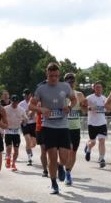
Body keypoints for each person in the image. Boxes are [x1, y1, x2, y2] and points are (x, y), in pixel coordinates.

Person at [31, 63, 77, 194]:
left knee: (65, 157)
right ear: (47, 74)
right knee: (52, 157)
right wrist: (41, 109)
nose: (54, 78)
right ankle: (53, 183)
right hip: (48, 127)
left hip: (63, 126)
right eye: (51, 76)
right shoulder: (41, 89)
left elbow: (74, 100)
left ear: (59, 75)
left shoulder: (65, 86)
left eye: (56, 76)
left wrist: (69, 107)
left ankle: (60, 166)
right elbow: (31, 106)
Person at [62, 73, 87, 186]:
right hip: (64, 127)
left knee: (73, 152)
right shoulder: (61, 94)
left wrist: (84, 106)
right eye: (68, 81)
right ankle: (64, 169)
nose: (71, 83)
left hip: (76, 127)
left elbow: (84, 112)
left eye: (72, 81)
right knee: (68, 150)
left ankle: (68, 172)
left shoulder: (80, 95)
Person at [83, 82, 109, 168]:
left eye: (100, 87)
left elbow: (108, 109)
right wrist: (90, 108)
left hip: (102, 123)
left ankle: (101, 159)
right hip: (92, 123)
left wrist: (108, 109)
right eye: (97, 87)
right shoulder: (89, 98)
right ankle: (88, 148)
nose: (98, 89)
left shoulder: (104, 98)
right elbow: (83, 108)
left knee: (102, 141)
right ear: (93, 88)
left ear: (102, 89)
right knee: (93, 142)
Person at [3, 95, 26, 171]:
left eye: (16, 102)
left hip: (16, 131)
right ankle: (8, 158)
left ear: (18, 102)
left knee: (16, 150)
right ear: (11, 101)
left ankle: (13, 163)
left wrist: (24, 120)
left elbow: (26, 118)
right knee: (9, 147)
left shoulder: (21, 109)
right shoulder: (5, 108)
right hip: (8, 130)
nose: (14, 104)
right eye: (13, 102)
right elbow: (1, 117)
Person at [21, 89, 37, 166]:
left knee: (33, 143)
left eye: (28, 95)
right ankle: (29, 158)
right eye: (25, 95)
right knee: (27, 140)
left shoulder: (35, 102)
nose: (26, 96)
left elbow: (36, 112)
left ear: (30, 95)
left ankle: (29, 149)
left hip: (33, 124)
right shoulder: (21, 104)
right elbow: (20, 114)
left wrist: (33, 112)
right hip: (25, 124)